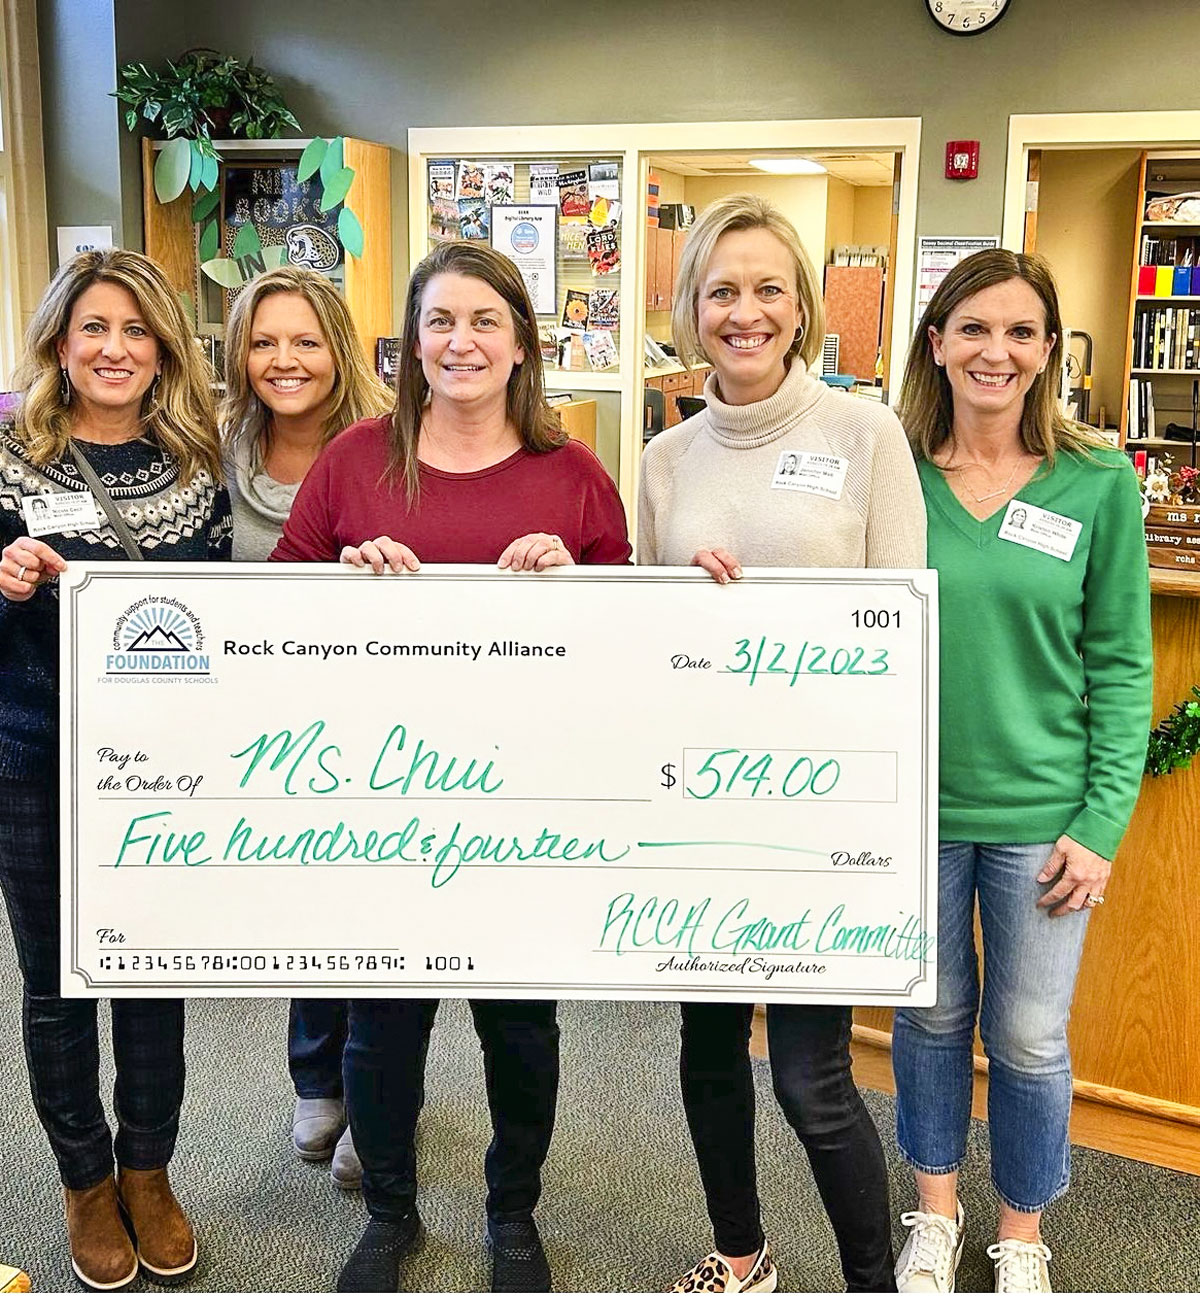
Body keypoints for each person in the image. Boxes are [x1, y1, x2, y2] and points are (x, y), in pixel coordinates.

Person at [271, 239, 631, 1293]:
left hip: (528, 806)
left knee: (519, 1026)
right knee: (382, 1029)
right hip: (381, 802)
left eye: (485, 321)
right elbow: (279, 615)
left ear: (522, 343)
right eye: (440, 322)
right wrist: (344, 574)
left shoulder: (573, 477)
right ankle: (390, 1214)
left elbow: (633, 647)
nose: (461, 341)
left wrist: (578, 580)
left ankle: (511, 1215)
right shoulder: (354, 463)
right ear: (412, 345)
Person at [638, 194, 925, 1294]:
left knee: (811, 1079)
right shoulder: (666, 457)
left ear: (801, 306)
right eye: (722, 291)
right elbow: (646, 645)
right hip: (701, 810)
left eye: (767, 289)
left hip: (822, 811)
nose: (744, 311)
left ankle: (870, 1282)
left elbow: (906, 625)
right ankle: (741, 1256)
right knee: (708, 1056)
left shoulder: (865, 434)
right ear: (691, 308)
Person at [890, 249, 1152, 1294]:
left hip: (1044, 818)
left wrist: (1101, 823)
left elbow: (1123, 665)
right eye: (974, 329)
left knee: (1032, 1039)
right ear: (938, 343)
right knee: (932, 1019)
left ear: (1049, 352)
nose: (996, 351)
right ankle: (935, 1217)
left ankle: (1023, 1235)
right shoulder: (892, 471)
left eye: (1020, 332)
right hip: (911, 812)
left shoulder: (1097, 482)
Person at [0, 249, 231, 1291]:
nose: (115, 349)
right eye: (94, 327)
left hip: (161, 771)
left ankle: (149, 1169)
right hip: (35, 755)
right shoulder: (6, 457)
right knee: (55, 981)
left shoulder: (198, 463)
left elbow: (233, 617)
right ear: (59, 338)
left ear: (163, 348)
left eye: (137, 330)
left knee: (151, 974)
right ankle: (83, 1181)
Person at [222, 264, 393, 1188]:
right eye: (263, 341)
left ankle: (375, 1098)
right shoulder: (215, 450)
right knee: (302, 909)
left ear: (339, 346)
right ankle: (316, 1075)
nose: (284, 361)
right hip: (262, 729)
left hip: (372, 720)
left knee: (381, 912)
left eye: (305, 340)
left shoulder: (388, 446)